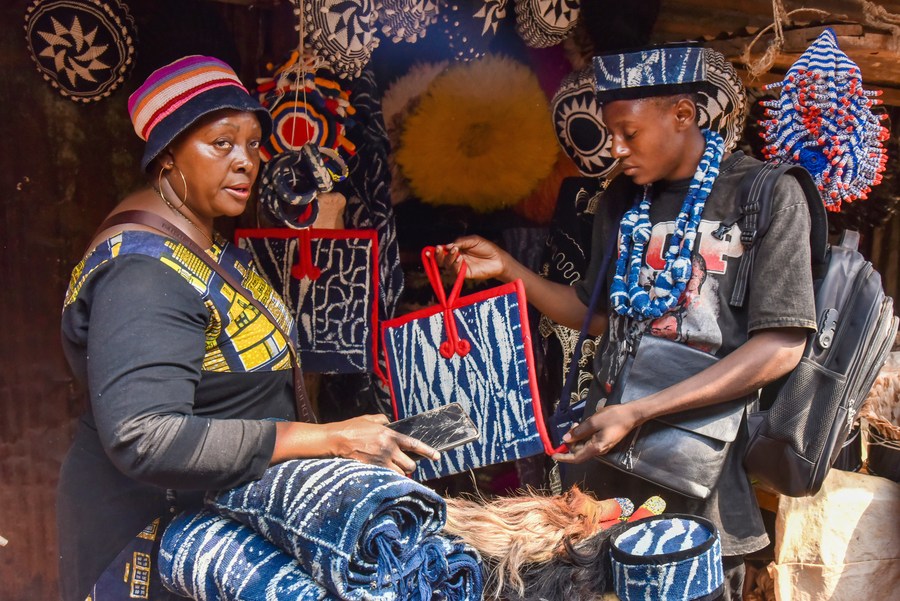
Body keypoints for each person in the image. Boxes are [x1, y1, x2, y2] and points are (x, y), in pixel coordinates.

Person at [438, 46, 816, 600]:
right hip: (605, 472)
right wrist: (509, 269)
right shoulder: (621, 198)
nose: (615, 148)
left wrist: (640, 410)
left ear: (682, 114)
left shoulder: (767, 194)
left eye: (629, 132)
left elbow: (781, 345)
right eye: (610, 132)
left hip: (700, 476)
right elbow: (597, 318)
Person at [56, 55, 439, 601]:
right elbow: (146, 436)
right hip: (149, 538)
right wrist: (328, 439)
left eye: (254, 144)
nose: (245, 162)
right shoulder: (142, 274)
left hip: (207, 518)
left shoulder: (195, 232)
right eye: (221, 143)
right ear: (167, 153)